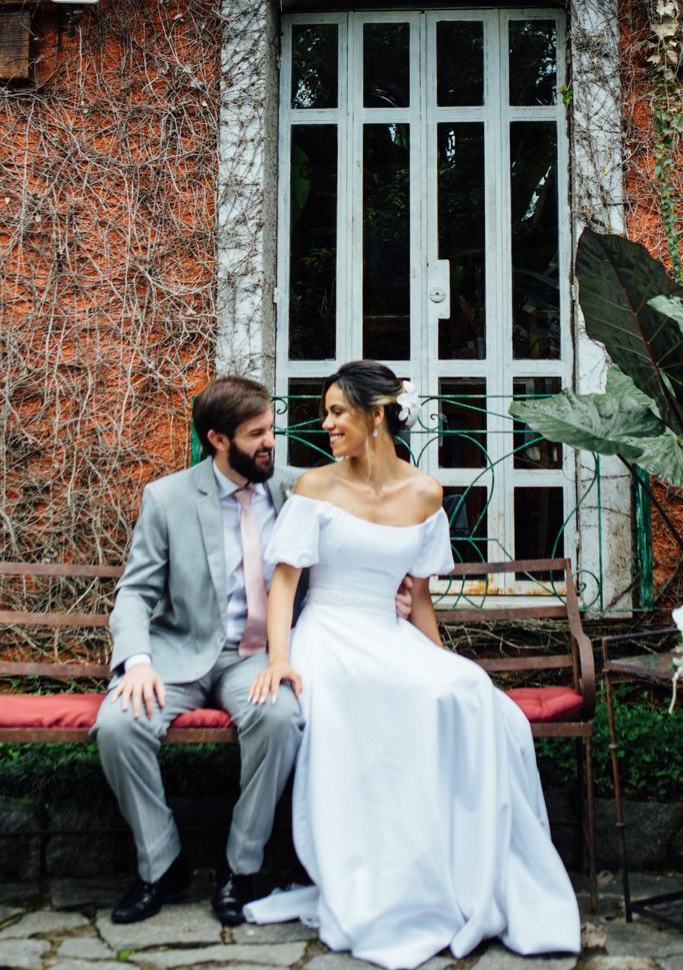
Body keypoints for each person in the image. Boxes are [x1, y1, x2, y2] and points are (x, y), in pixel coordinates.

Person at [243, 360, 582, 970]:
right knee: (388, 694)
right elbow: (286, 584)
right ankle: (384, 879)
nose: (326, 425)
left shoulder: (426, 493)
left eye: (337, 412)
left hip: (387, 628)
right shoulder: (315, 487)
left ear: (376, 416)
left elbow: (419, 598)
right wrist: (282, 659)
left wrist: (444, 660)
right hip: (330, 635)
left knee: (465, 692)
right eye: (326, 413)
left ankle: (456, 869)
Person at [92, 375, 303, 927]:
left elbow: (365, 518)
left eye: (271, 431)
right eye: (257, 434)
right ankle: (162, 865)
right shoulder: (167, 498)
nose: (270, 444)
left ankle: (241, 868)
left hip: (255, 656)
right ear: (217, 438)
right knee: (117, 726)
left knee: (280, 719)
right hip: (176, 654)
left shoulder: (296, 489)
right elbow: (135, 592)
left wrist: (401, 585)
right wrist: (136, 661)